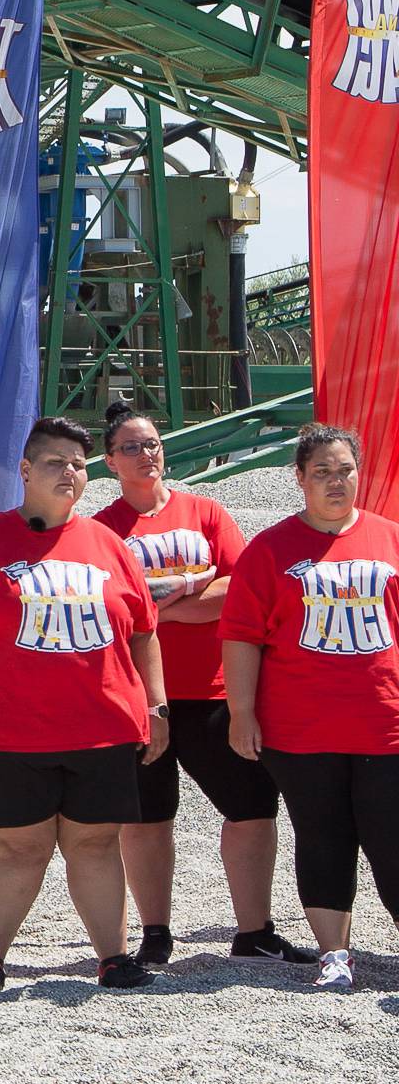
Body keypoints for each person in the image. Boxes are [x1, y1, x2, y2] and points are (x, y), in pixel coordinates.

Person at [0, 414, 168, 997]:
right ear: (25, 470)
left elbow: (141, 631)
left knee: (94, 842)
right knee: (20, 844)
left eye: (79, 464)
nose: (69, 472)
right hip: (12, 731)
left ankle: (112, 958)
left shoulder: (109, 544)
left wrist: (156, 706)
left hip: (104, 725)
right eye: (56, 462)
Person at [96, 401, 311, 967]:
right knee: (146, 818)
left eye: (154, 442)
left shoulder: (205, 513)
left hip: (215, 690)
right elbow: (110, 611)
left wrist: (158, 611)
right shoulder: (103, 531)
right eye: (132, 447)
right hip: (141, 694)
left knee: (252, 809)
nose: (148, 454)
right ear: (110, 460)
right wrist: (187, 598)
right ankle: (156, 932)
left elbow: (239, 592)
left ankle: (254, 929)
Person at [222, 423, 399, 993]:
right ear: (299, 478)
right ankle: (335, 952)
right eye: (321, 471)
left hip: (385, 724)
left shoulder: (391, 540)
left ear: (359, 472)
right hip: (301, 729)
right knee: (322, 836)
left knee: (391, 836)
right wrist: (241, 713)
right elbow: (242, 637)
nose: (335, 481)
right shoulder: (269, 549)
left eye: (344, 469)